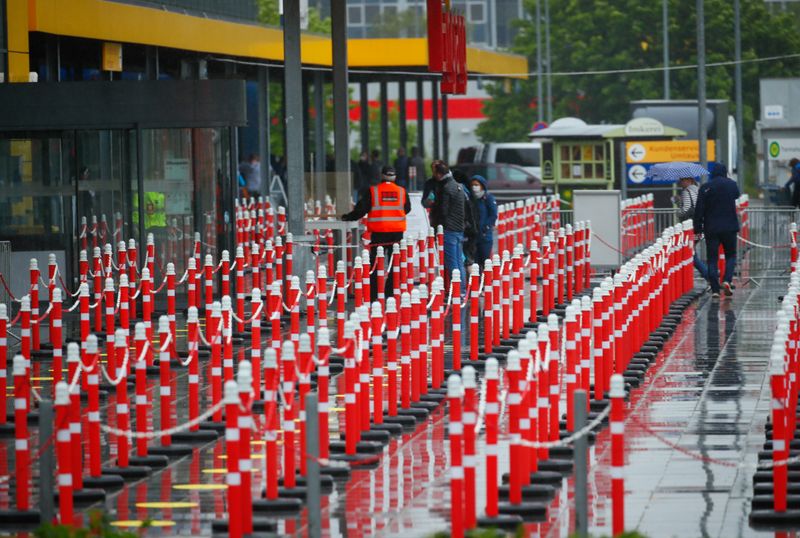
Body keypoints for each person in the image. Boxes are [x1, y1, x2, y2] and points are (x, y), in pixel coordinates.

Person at [342, 165, 411, 301]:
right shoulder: (402, 191)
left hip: (379, 232)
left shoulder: (373, 191)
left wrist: (347, 217)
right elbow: (407, 209)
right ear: (395, 177)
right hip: (396, 233)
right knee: (394, 263)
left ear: (382, 176)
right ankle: (390, 292)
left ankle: (373, 293)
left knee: (375, 263)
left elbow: (361, 209)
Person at [694, 163, 741, 299]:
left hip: (711, 228)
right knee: (731, 256)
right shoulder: (731, 184)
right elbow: (736, 195)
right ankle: (727, 280)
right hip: (729, 227)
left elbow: (699, 210)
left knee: (712, 259)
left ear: (712, 173)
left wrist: (698, 228)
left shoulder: (705, 188)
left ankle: (715, 289)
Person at [422, 160, 466, 284]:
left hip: (447, 228)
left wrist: (436, 205)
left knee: (452, 262)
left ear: (439, 173)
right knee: (456, 261)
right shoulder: (455, 185)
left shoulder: (447, 187)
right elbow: (425, 202)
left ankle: (458, 292)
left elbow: (444, 210)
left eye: (435, 171)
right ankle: (458, 291)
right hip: (455, 227)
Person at [676, 176, 709, 282]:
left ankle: (708, 275)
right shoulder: (698, 189)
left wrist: (678, 210)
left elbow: (685, 209)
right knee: (691, 250)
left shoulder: (686, 191)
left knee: (690, 252)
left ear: (689, 180)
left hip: (691, 227)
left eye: (682, 180)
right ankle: (708, 275)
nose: (680, 182)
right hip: (700, 225)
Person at [468, 175, 498, 269]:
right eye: (472, 185)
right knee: (474, 262)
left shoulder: (488, 198)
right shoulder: (470, 198)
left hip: (484, 236)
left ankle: (487, 281)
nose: (474, 187)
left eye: (476, 185)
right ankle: (478, 281)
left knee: (485, 261)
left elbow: (493, 214)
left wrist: (486, 227)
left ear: (482, 186)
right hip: (473, 235)